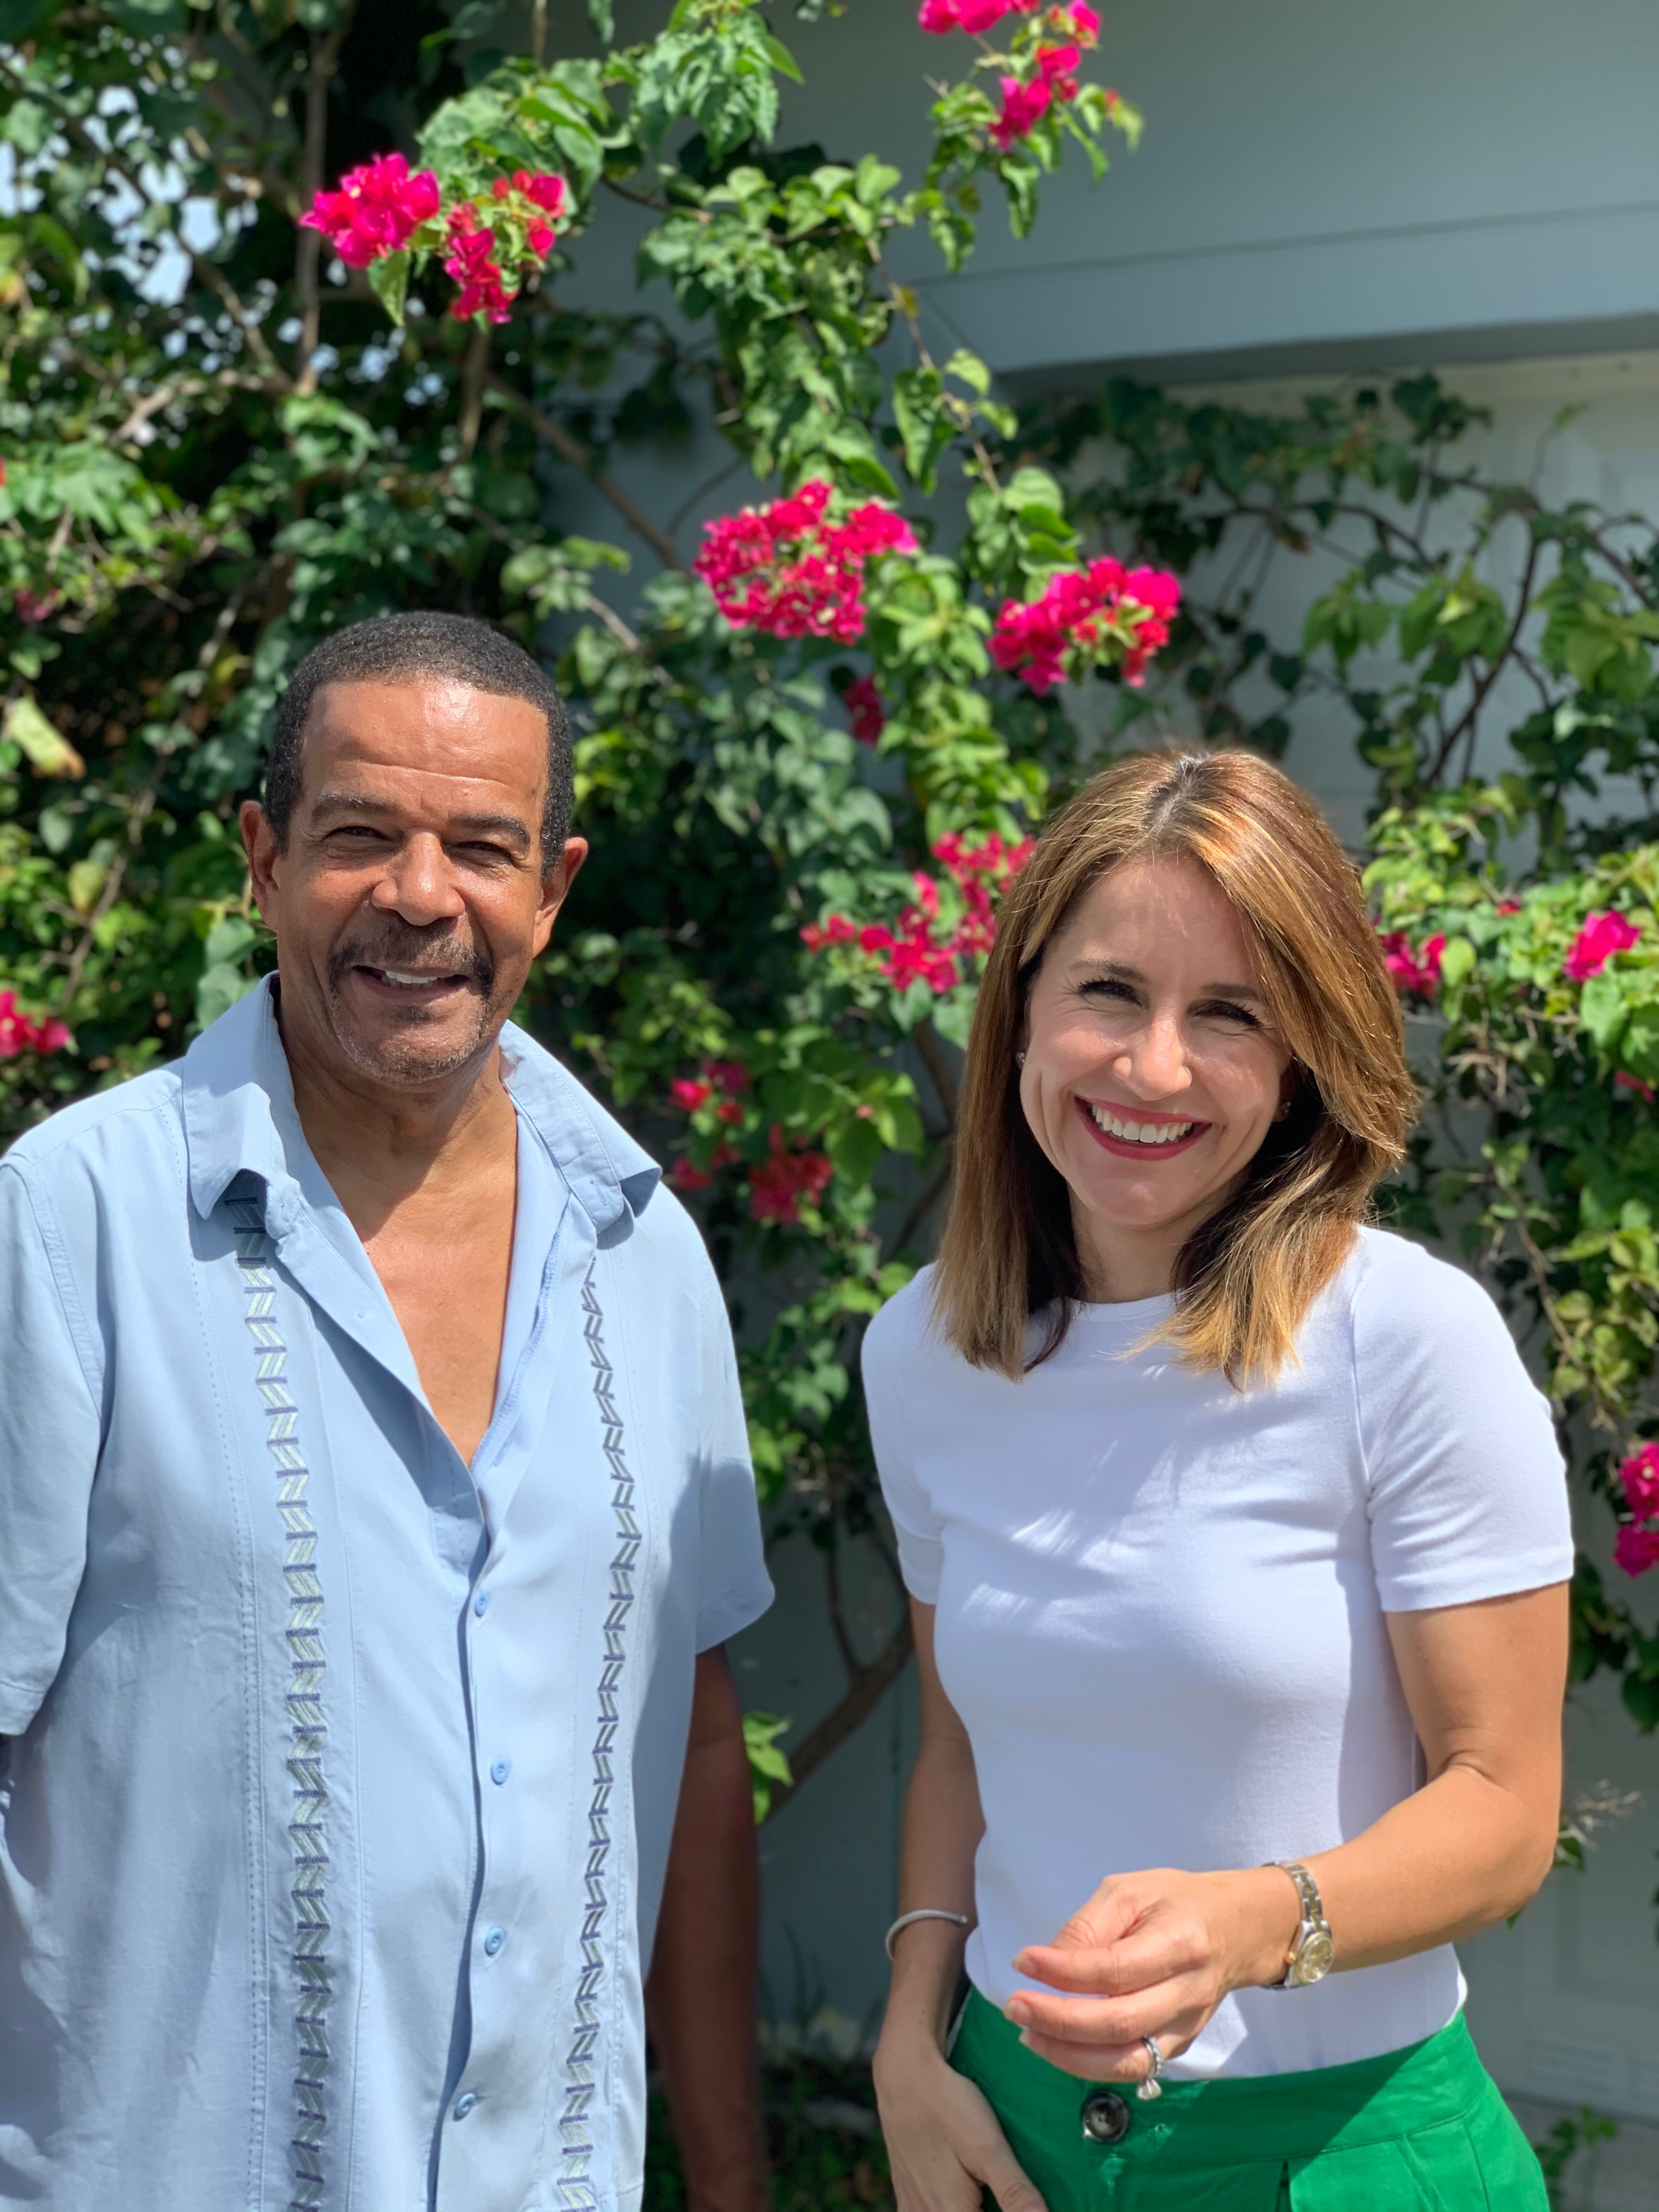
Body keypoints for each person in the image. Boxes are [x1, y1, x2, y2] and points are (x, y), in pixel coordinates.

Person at [0, 613, 774, 2212]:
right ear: (264, 860)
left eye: (482, 848)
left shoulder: (647, 1255)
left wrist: (732, 2180)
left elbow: (695, 1741)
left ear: (552, 890)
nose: (422, 896)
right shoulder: (71, 1223)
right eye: (361, 835)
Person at [865, 750, 1571, 2210]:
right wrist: (907, 2045)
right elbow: (959, 1747)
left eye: (1230, 1014)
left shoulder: (1404, 1341)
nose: (1154, 1067)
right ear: (1022, 1012)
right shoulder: (924, 1354)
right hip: (1007, 2136)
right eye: (1110, 992)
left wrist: (1256, 1924)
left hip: (1343, 2152)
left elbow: (1504, 1810)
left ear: (1301, 1057)